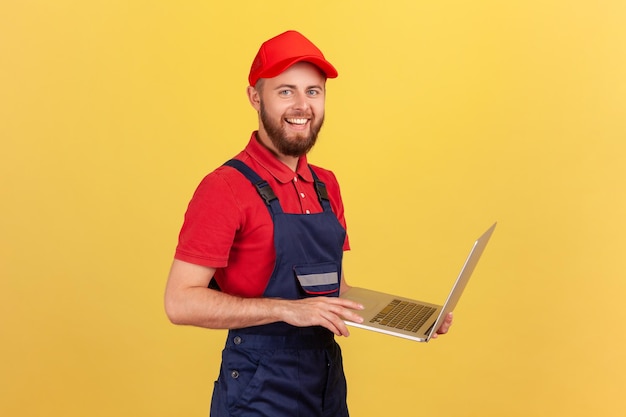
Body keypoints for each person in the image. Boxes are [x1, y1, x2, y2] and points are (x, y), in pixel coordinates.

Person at [165, 30, 453, 417]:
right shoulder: (224, 188)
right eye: (286, 91)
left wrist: (408, 317)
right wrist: (286, 309)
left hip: (326, 380)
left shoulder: (325, 185)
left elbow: (336, 289)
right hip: (258, 387)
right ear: (255, 97)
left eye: (313, 92)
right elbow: (179, 302)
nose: (302, 105)